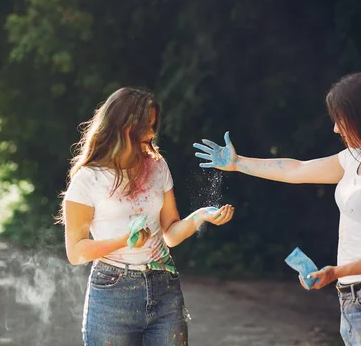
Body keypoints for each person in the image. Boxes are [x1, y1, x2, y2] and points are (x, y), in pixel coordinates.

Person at [193, 72, 361, 345]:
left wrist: (336, 271)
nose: (336, 129)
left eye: (340, 119)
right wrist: (238, 163)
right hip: (353, 299)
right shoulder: (354, 159)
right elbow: (297, 169)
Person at [61, 87, 235, 346]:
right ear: (122, 126)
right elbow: (76, 252)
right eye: (145, 126)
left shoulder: (157, 166)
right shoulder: (88, 179)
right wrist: (125, 241)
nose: (152, 133)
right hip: (112, 293)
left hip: (164, 287)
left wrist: (200, 216)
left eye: (153, 125)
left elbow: (170, 235)